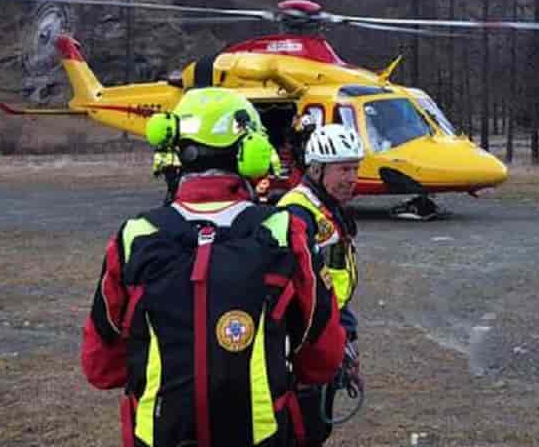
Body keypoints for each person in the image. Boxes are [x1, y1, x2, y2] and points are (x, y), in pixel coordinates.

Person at [82, 87, 346, 447]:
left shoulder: (135, 237)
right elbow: (322, 358)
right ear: (251, 152)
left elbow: (101, 367)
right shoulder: (285, 233)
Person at [278, 123, 365, 444]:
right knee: (305, 429)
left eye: (355, 168)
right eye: (344, 169)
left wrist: (346, 335)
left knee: (318, 426)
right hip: (306, 339)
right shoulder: (297, 212)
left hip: (330, 324)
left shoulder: (327, 208)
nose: (352, 177)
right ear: (316, 169)